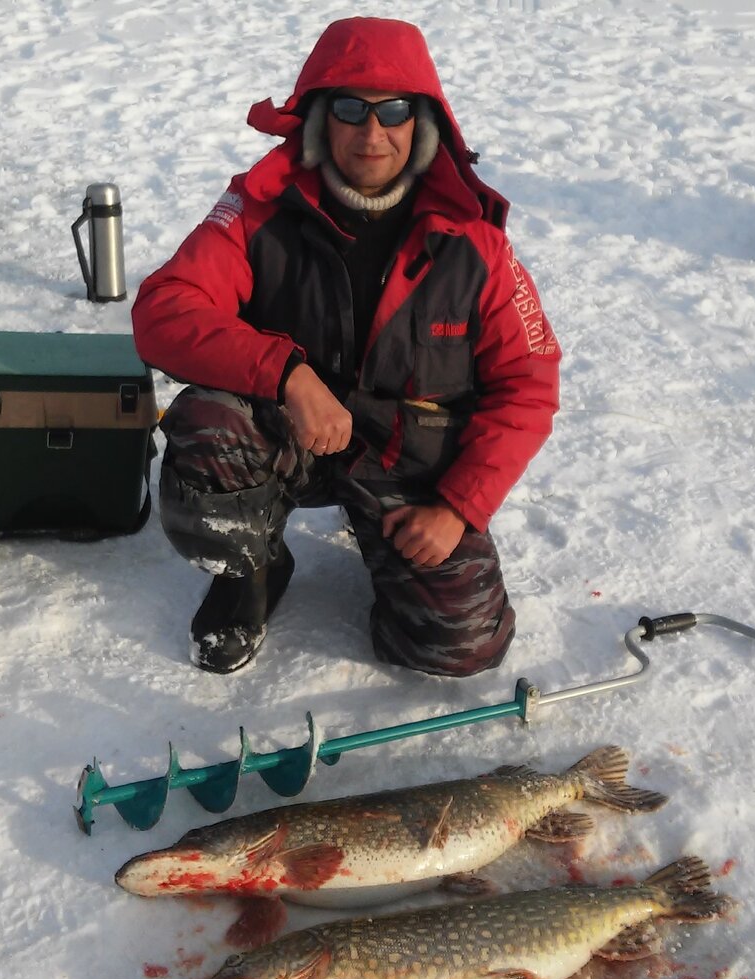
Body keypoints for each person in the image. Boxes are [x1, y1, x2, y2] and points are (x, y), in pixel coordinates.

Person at [133, 17, 560, 677]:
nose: (372, 131)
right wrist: (287, 375)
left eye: (394, 111)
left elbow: (528, 384)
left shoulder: (474, 243)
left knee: (460, 645)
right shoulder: (257, 210)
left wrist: (457, 508)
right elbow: (165, 309)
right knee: (205, 426)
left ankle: (398, 575)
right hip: (294, 437)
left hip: (407, 463)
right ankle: (254, 569)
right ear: (318, 118)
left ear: (423, 125)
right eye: (350, 108)